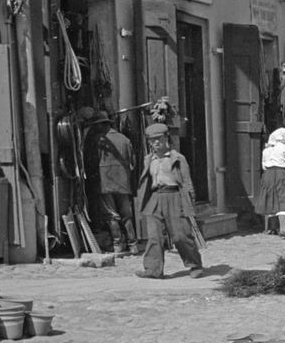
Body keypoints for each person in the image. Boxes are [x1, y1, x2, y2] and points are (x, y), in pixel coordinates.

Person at [135, 123, 204, 279]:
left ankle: (194, 265)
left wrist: (189, 203)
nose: (156, 143)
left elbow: (187, 182)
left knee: (180, 235)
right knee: (154, 236)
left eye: (159, 139)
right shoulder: (148, 160)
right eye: (153, 140)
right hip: (154, 198)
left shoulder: (178, 158)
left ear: (166, 138)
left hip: (174, 197)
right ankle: (153, 269)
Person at [85, 111, 138, 254]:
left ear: (101, 125)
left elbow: (90, 163)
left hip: (105, 183)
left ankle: (118, 244)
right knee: (127, 214)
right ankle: (133, 245)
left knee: (111, 215)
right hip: (123, 183)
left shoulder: (97, 140)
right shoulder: (125, 140)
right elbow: (133, 163)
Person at [255, 127, 285, 238]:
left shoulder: (266, 150)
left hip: (268, 175)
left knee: (270, 198)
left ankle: (271, 228)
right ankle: (283, 228)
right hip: (281, 174)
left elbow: (264, 166)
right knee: (283, 199)